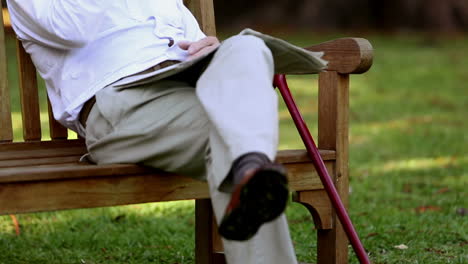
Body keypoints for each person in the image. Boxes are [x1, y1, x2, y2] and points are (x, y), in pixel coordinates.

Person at [7, 1, 325, 263]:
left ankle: (250, 168)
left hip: (184, 87)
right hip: (120, 104)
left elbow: (190, 35)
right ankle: (250, 167)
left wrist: (206, 46)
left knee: (247, 46)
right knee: (230, 141)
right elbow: (71, 27)